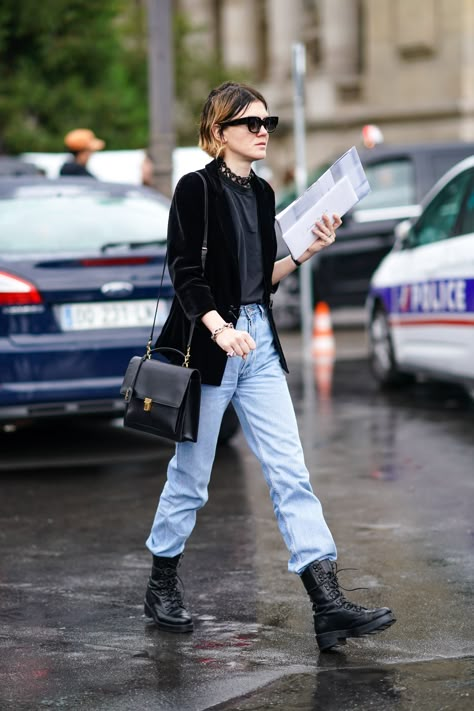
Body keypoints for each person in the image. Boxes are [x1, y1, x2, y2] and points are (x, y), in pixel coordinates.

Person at [144, 81, 396, 652]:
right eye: (252, 123)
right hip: (211, 346)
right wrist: (219, 328)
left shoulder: (261, 194)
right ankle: (161, 587)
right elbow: (186, 273)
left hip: (257, 341)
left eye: (268, 123)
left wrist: (306, 252)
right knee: (191, 479)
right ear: (218, 132)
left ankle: (327, 603)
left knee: (291, 473)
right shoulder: (195, 190)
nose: (263, 132)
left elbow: (260, 278)